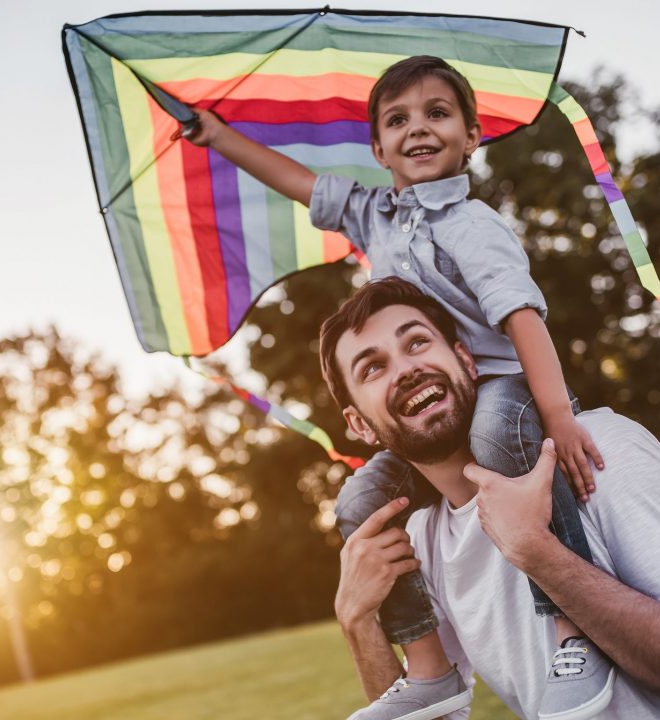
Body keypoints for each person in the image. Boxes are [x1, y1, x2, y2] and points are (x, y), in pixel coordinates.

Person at [184, 55, 611, 720]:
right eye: (398, 119)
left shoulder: (473, 226)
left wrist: (556, 414)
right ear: (377, 147)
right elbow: (297, 183)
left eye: (437, 114)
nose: (419, 128)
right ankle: (431, 667)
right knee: (359, 500)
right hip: (432, 409)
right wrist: (219, 138)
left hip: (500, 389)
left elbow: (523, 318)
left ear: (472, 136)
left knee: (499, 430)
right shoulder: (371, 217)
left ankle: (574, 632)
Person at [319, 277, 660, 720]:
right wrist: (357, 623)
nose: (406, 369)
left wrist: (537, 551)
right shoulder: (419, 542)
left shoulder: (597, 450)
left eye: (416, 342)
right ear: (360, 426)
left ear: (466, 360)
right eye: (372, 368)